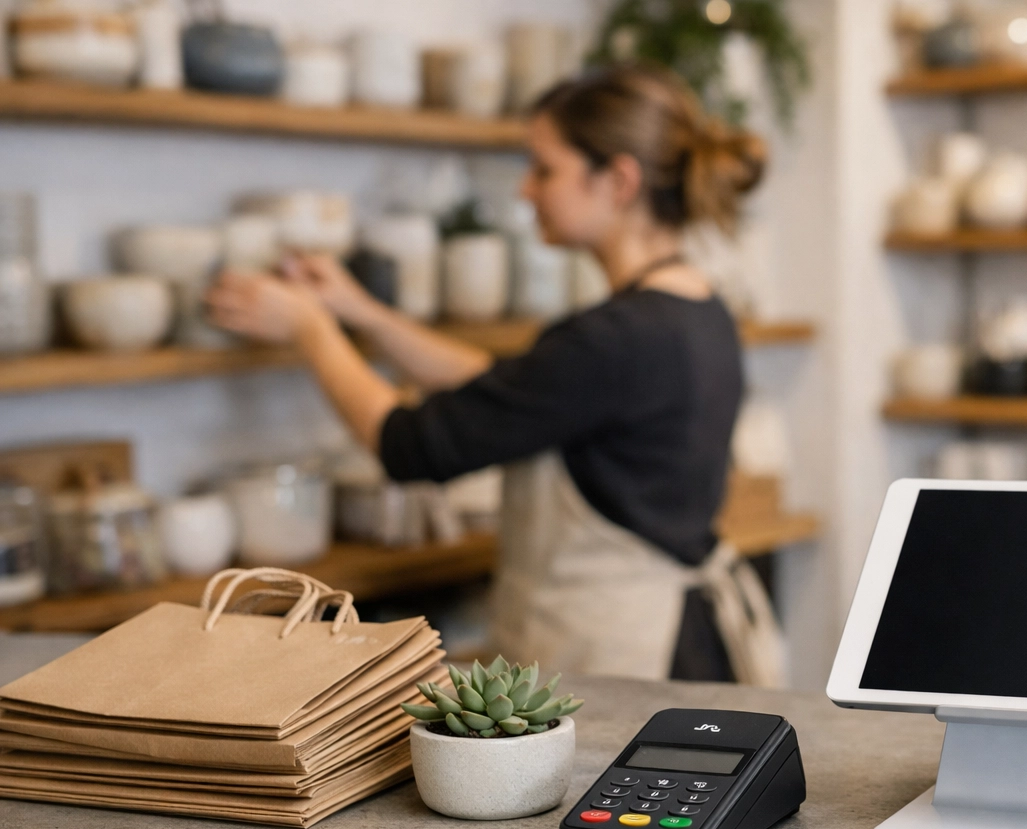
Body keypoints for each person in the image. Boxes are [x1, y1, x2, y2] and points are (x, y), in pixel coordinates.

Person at [204, 66, 784, 687]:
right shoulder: (697, 308)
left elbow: (406, 443)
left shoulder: (613, 339)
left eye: (544, 169)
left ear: (618, 180)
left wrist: (310, 330)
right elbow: (517, 390)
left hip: (626, 661)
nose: (525, 191)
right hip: (688, 645)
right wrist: (361, 312)